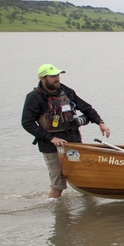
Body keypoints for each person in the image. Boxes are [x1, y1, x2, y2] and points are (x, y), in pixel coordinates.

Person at [22, 64, 111, 198]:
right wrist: (51, 138)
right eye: (53, 76)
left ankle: (91, 210)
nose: (57, 78)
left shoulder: (67, 92)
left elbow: (86, 108)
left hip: (73, 142)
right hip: (51, 146)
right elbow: (27, 123)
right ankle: (55, 209)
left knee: (85, 177)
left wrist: (100, 122)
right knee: (58, 183)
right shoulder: (34, 97)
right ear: (42, 78)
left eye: (58, 75)